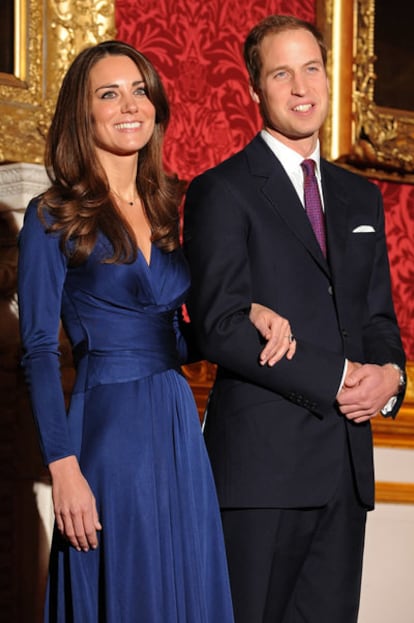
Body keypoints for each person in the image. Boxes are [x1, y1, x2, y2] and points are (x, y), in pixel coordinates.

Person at [17, 40, 298, 622]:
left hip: (177, 423)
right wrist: (64, 468)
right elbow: (41, 350)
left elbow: (178, 338)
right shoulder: (53, 215)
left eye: (140, 91)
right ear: (82, 112)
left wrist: (244, 313)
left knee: (187, 590)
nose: (130, 105)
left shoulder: (175, 207)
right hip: (107, 431)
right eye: (109, 93)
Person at [183, 15, 406, 623]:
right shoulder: (220, 190)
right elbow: (219, 325)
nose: (301, 85)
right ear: (256, 88)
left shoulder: (360, 197)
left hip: (346, 472)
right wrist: (335, 379)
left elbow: (378, 318)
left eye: (312, 68)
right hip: (260, 474)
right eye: (282, 73)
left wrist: (391, 378)